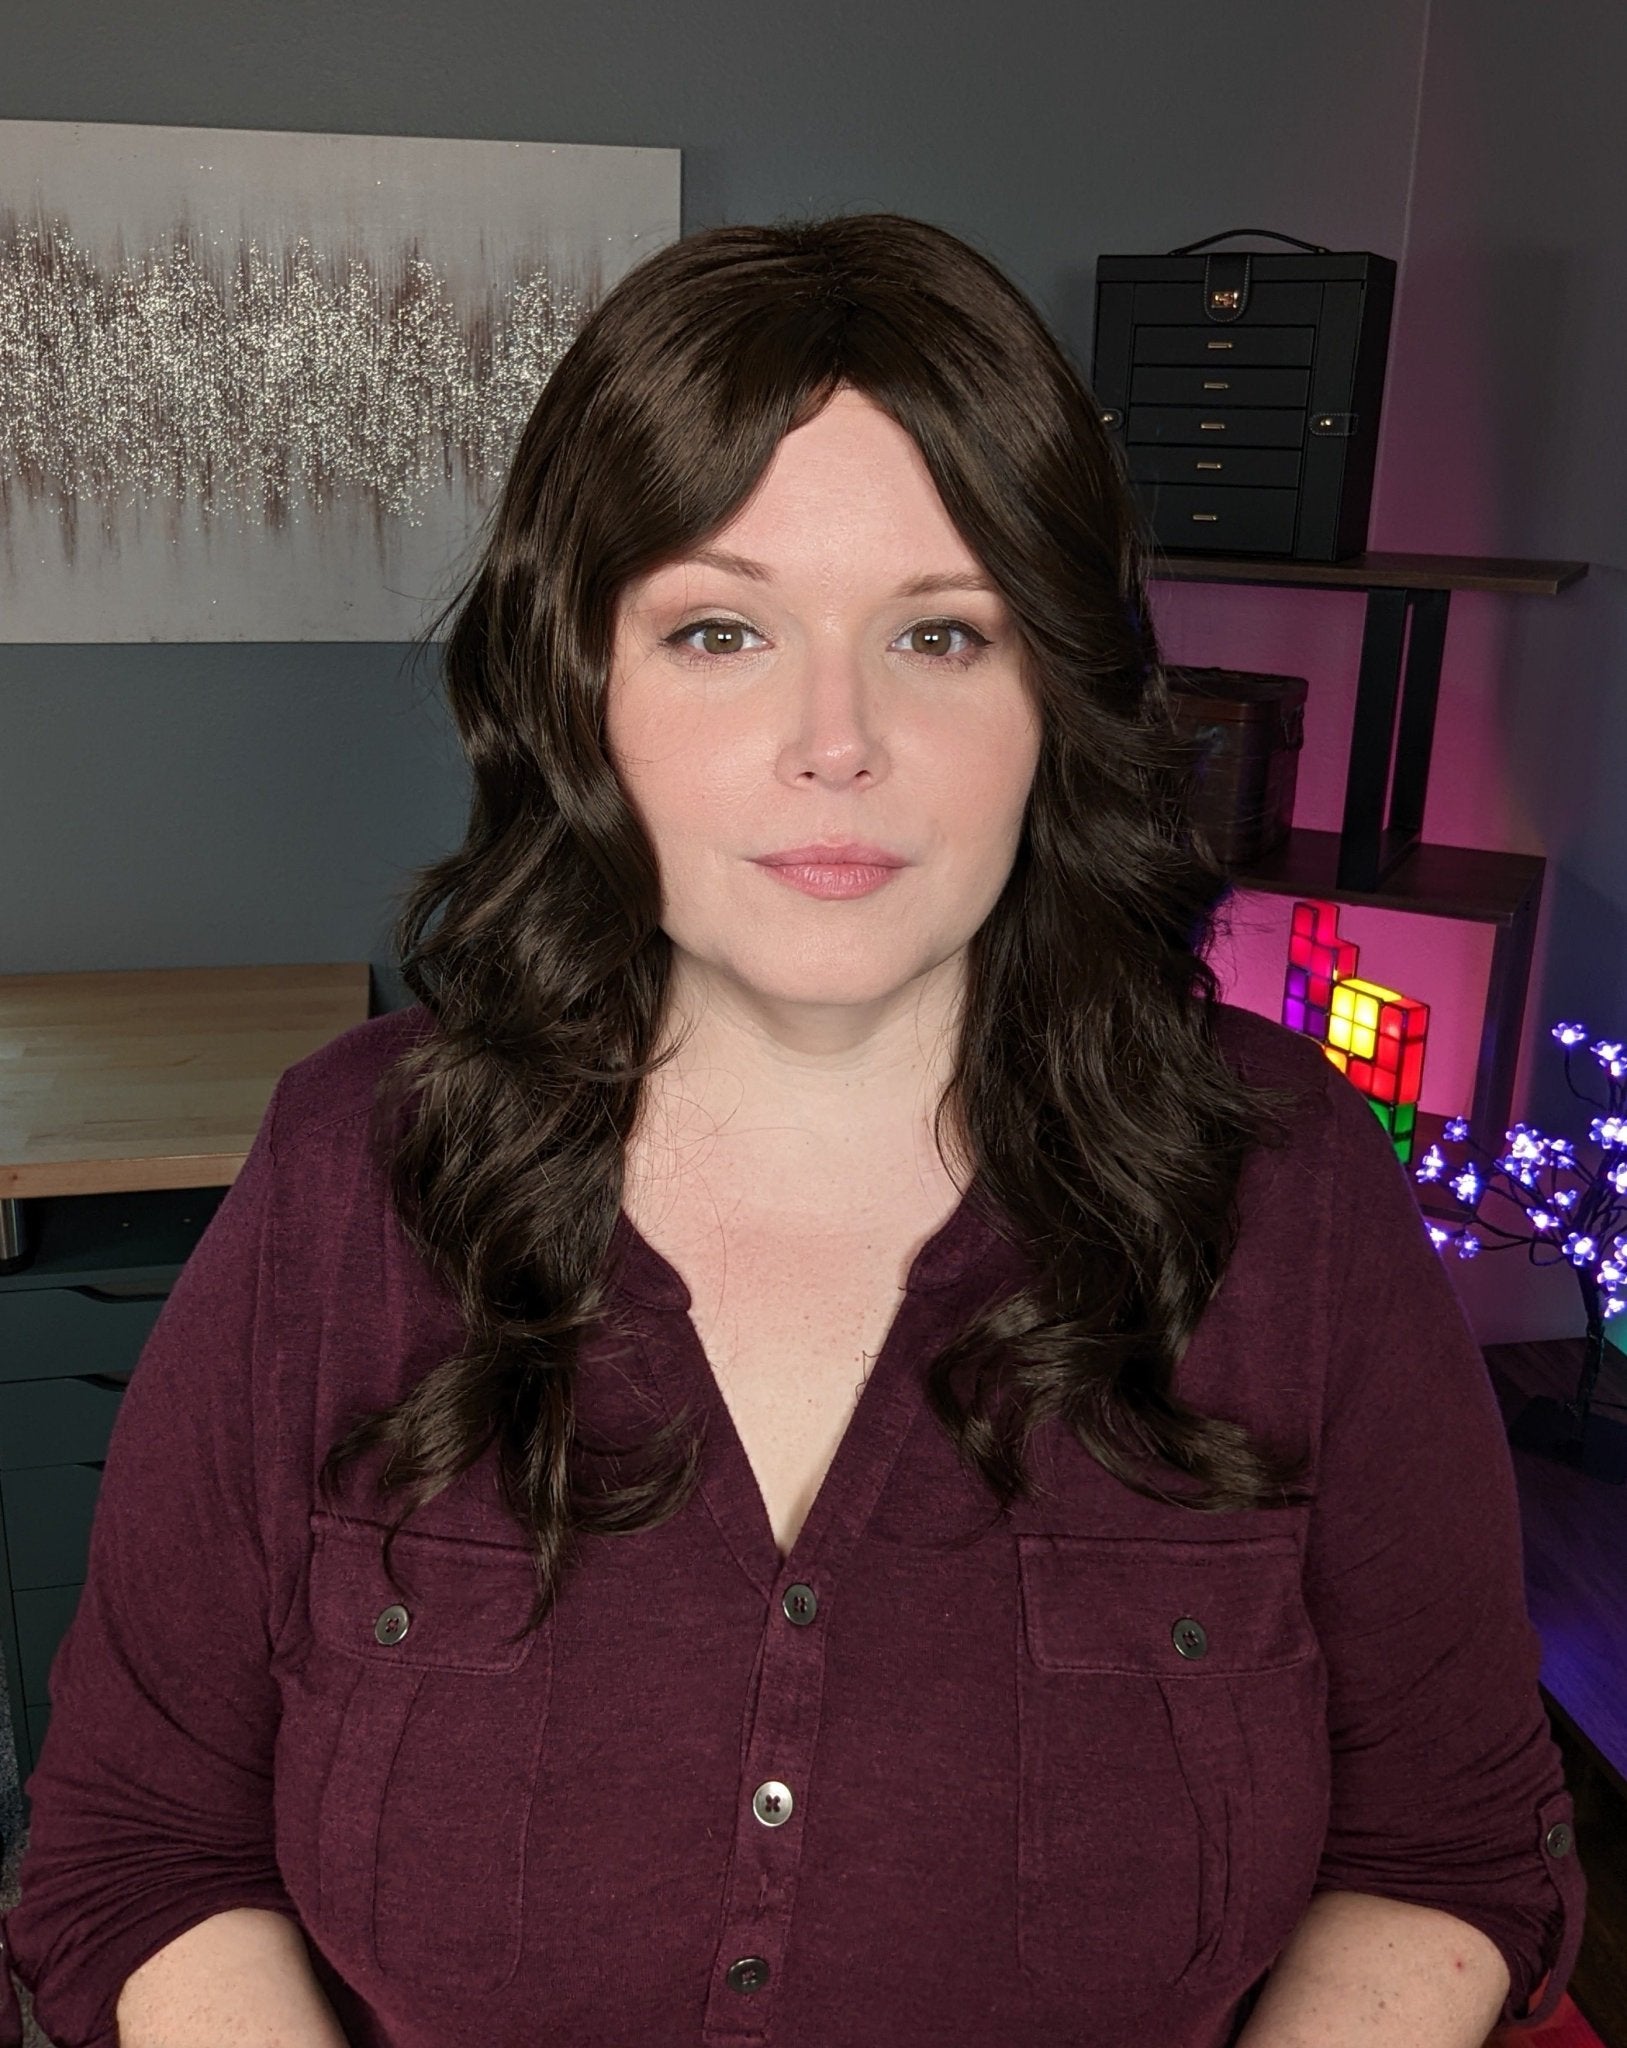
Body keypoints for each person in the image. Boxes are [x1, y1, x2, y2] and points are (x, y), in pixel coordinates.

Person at [0, 212, 1585, 2048]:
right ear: (581, 686)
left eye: (941, 633)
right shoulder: (347, 1172)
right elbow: (140, 1850)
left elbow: (1451, 1846)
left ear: (1057, 698)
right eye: (721, 629)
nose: (838, 740)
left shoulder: (1289, 1187)